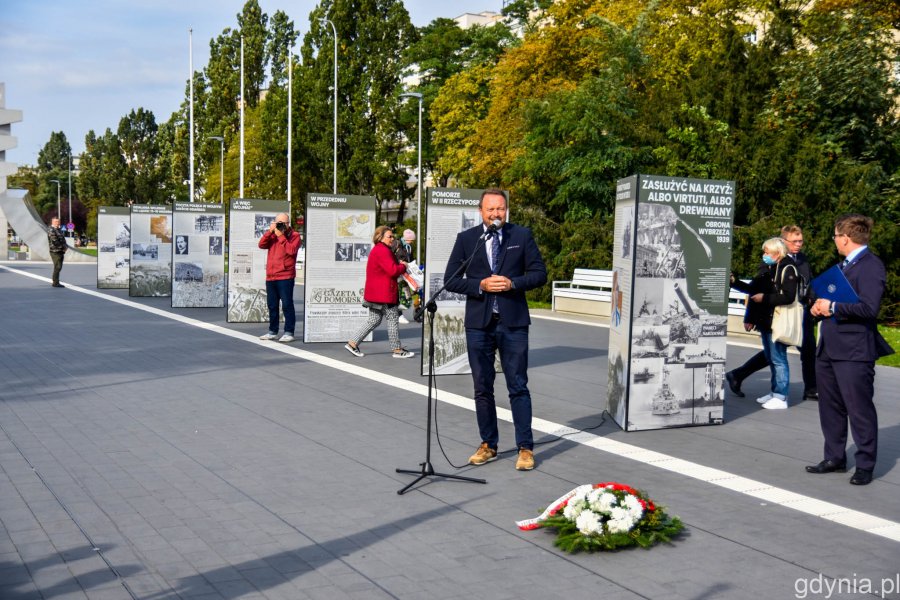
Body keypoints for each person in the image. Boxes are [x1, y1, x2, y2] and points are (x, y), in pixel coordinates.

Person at [444, 189, 547, 471]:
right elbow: (451, 279)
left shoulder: (521, 236)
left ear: (506, 210)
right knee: (482, 387)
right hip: (479, 324)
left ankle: (525, 448)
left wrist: (512, 283)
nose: (495, 214)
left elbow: (540, 274)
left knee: (518, 385)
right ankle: (488, 444)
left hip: (513, 323)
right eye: (490, 209)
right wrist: (480, 285)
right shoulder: (468, 240)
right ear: (481, 211)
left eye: (500, 209)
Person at [807, 214, 893, 485]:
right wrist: (819, 308)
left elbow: (869, 309)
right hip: (829, 348)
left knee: (859, 409)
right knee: (830, 408)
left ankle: (865, 465)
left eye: (835, 236)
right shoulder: (843, 266)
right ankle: (834, 457)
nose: (834, 241)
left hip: (854, 351)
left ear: (845, 238)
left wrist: (832, 307)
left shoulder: (871, 266)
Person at [725, 225, 817, 400]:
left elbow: (807, 284)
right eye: (795, 241)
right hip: (779, 315)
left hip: (800, 313)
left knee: (805, 351)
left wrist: (812, 300)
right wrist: (750, 316)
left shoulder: (802, 260)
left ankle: (810, 388)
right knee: (775, 354)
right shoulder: (770, 262)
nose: (799, 244)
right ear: (783, 242)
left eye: (801, 241)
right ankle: (746, 378)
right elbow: (757, 290)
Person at [743, 238, 798, 410]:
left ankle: (781, 396)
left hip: (778, 320)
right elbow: (753, 289)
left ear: (777, 252)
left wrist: (764, 298)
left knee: (779, 359)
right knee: (772, 358)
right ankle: (775, 392)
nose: (764, 255)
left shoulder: (788, 268)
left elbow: (789, 296)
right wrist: (734, 282)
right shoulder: (770, 268)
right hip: (767, 320)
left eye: (767, 252)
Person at [345, 226, 415, 359]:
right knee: (393, 319)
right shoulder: (383, 250)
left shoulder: (379, 250)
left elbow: (388, 266)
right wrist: (403, 266)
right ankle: (397, 350)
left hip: (376, 294)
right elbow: (393, 270)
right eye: (389, 236)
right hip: (385, 294)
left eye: (392, 236)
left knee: (374, 320)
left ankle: (352, 343)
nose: (392, 238)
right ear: (380, 237)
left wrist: (397, 263)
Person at [258, 213, 301, 343]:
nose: (282, 225)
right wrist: (270, 231)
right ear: (275, 223)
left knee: (287, 304)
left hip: (285, 275)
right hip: (271, 276)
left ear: (289, 223)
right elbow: (261, 245)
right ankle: (273, 331)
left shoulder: (295, 236)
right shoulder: (272, 235)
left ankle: (289, 332)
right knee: (272, 305)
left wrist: (281, 236)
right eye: (279, 222)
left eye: (284, 223)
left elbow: (291, 251)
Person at [392, 229, 416, 324]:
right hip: (398, 273)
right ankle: (399, 314)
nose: (412, 242)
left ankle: (402, 311)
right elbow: (389, 256)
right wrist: (399, 262)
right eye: (411, 240)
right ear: (406, 238)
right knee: (398, 294)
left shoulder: (409, 247)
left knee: (406, 294)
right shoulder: (397, 244)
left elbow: (411, 259)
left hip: (406, 273)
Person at [47, 217, 68, 288]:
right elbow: (54, 241)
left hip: (60, 251)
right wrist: (63, 247)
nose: (57, 223)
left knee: (59, 267)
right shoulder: (51, 229)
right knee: (57, 266)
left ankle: (56, 281)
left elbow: (63, 239)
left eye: (58, 222)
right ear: (52, 222)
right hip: (54, 251)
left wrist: (66, 246)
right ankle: (55, 282)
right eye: (56, 222)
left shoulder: (58, 229)